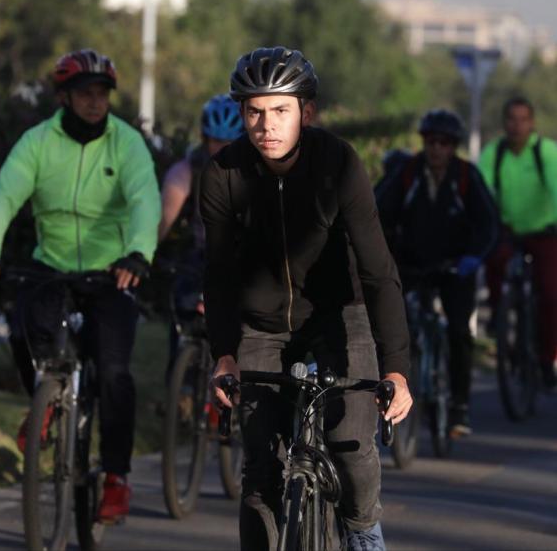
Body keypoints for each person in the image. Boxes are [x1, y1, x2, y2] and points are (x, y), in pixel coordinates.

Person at [203, 46, 412, 551]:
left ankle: (364, 534)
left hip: (340, 315)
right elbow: (218, 273)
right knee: (261, 469)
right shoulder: (224, 174)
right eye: (254, 112)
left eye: (280, 110)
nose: (266, 125)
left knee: (353, 445)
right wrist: (224, 352)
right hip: (262, 324)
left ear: (306, 112)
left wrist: (397, 368)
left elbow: (378, 270)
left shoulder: (338, 163)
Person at [0, 49, 160, 523]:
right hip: (51, 265)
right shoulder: (38, 142)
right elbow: (5, 195)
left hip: (111, 268)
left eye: (102, 94)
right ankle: (46, 402)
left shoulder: (127, 144)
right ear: (64, 98)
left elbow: (144, 201)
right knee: (20, 330)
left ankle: (115, 477)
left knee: (114, 372)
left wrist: (138, 253)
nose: (95, 103)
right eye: (84, 94)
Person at [376, 109, 499, 435]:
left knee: (459, 331)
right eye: (431, 141)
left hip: (456, 267)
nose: (437, 149)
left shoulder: (466, 176)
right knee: (396, 328)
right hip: (411, 265)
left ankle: (459, 406)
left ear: (453, 146)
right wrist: (383, 257)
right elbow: (377, 214)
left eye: (444, 143)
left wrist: (474, 257)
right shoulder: (407, 173)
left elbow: (488, 224)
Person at [158, 94, 244, 375]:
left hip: (240, 255)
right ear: (205, 139)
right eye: (215, 141)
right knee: (181, 313)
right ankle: (179, 381)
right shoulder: (188, 170)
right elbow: (165, 216)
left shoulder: (255, 171)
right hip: (199, 256)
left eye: (229, 142)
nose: (221, 149)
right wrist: (144, 253)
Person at [478, 96, 557, 389]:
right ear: (504, 122)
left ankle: (547, 358)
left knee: (550, 295)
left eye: (523, 119)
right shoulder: (493, 153)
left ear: (532, 123)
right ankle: (500, 321)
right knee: (494, 263)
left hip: (544, 231)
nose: (517, 125)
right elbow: (481, 192)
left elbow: (556, 185)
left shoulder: (546, 152)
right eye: (511, 119)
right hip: (508, 230)